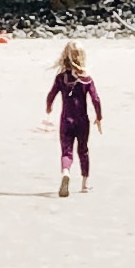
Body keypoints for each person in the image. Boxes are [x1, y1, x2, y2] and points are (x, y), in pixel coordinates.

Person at [46, 41, 99, 196]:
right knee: (83, 150)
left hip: (66, 120)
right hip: (82, 121)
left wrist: (48, 107)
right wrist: (99, 117)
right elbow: (96, 99)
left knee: (66, 151)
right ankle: (85, 183)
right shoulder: (86, 79)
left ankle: (66, 172)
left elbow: (51, 95)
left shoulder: (61, 78)